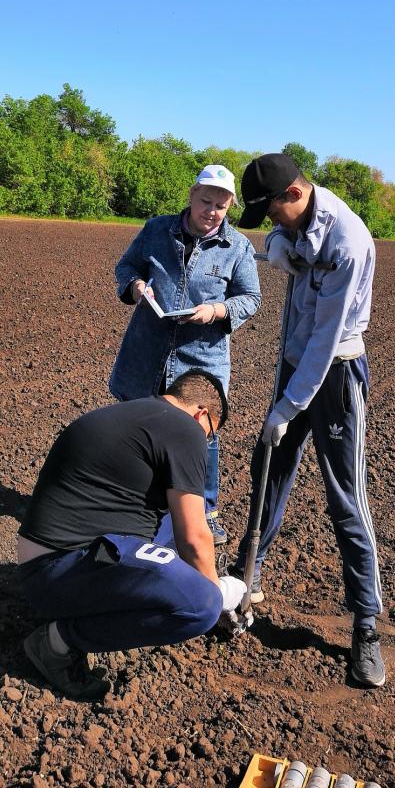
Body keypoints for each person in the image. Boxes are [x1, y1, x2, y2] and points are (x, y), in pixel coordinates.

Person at [233, 153, 386, 687]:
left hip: (336, 375)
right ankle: (246, 577)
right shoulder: (296, 220)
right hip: (295, 363)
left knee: (345, 499)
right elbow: (277, 246)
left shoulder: (349, 242)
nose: (270, 224)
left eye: (271, 215)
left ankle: (365, 626)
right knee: (267, 468)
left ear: (292, 196)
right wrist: (280, 248)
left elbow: (326, 341)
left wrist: (287, 406)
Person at [17, 370, 247, 700]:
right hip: (59, 570)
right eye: (210, 435)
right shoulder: (186, 429)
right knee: (201, 606)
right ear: (201, 413)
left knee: (175, 526)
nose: (207, 443)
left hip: (48, 562)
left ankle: (179, 586)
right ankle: (57, 643)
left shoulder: (143, 415)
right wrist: (218, 593)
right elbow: (195, 537)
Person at [109, 164, 261, 545]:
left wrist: (218, 310)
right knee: (140, 425)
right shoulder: (156, 229)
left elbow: (250, 298)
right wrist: (137, 286)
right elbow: (126, 267)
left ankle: (205, 512)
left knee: (201, 435)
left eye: (221, 206)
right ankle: (135, 505)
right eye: (206, 201)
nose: (212, 210)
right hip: (148, 350)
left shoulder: (238, 246)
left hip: (201, 357)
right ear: (192, 195)